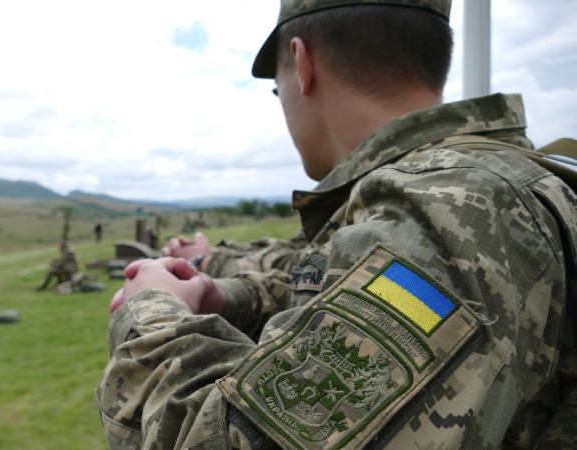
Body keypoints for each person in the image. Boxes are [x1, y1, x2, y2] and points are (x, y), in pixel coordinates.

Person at [97, 1, 577, 449]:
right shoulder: (468, 188)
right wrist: (228, 298)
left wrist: (151, 311)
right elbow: (341, 290)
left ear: (301, 63)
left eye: (276, 87)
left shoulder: (451, 206)